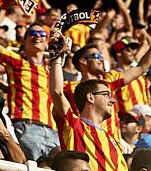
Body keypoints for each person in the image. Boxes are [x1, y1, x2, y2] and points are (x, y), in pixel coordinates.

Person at [0, 3, 58, 160]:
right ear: (23, 42)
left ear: (46, 42)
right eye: (32, 33)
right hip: (26, 127)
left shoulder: (53, 71)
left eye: (42, 33)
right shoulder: (17, 62)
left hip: (52, 131)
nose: (37, 35)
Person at [50, 31, 128, 171]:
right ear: (90, 97)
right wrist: (57, 57)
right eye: (106, 95)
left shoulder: (113, 141)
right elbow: (57, 91)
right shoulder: (74, 125)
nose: (113, 101)